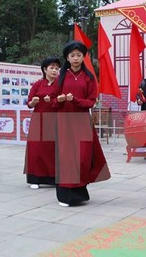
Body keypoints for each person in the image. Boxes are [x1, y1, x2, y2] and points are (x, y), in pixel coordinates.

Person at [53, 41, 111, 206]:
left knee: (82, 156)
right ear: (67, 58)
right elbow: (54, 103)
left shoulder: (89, 78)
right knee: (66, 157)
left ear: (84, 56)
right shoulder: (61, 77)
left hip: (82, 121)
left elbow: (91, 102)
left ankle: (79, 192)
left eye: (79, 55)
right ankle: (64, 195)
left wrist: (75, 100)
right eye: (72, 55)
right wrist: (61, 99)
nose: (76, 58)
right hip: (64, 121)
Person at [24, 57, 60, 189]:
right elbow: (29, 103)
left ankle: (54, 178)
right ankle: (35, 178)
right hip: (38, 119)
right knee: (36, 148)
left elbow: (63, 101)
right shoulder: (38, 84)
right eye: (52, 68)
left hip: (54, 119)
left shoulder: (60, 84)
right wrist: (33, 102)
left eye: (57, 68)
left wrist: (53, 100)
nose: (55, 70)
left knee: (52, 148)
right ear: (45, 70)